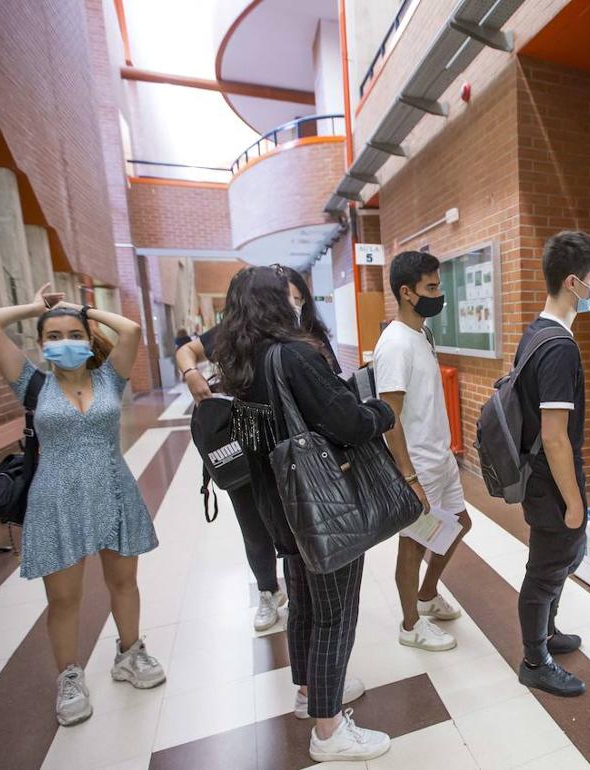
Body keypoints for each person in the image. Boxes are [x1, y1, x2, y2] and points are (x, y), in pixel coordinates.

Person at [214, 266, 394, 762]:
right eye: (289, 299)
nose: (298, 305)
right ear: (277, 305)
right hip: (321, 509)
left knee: (305, 606)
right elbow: (350, 422)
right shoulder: (293, 355)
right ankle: (329, 730)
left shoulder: (241, 366)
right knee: (336, 614)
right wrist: (380, 411)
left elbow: (255, 445)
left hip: (279, 508)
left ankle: (308, 693)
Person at [0, 283, 166, 726]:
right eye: (53, 337)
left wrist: (81, 310)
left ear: (88, 337)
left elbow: (132, 329)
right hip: (55, 499)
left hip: (114, 489)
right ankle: (70, 675)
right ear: (40, 345)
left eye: (73, 334)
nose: (64, 343)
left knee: (124, 583)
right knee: (64, 599)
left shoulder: (109, 379)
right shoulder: (32, 384)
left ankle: (129, 653)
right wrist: (37, 307)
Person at [175, 266, 339, 632]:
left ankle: (301, 594)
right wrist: (191, 374)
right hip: (245, 442)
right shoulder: (234, 335)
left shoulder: (308, 339)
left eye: (299, 299)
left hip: (296, 449)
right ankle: (268, 591)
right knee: (254, 522)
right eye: (287, 298)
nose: (293, 305)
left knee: (296, 526)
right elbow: (187, 351)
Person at [514, 230, 590, 697]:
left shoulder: (537, 333)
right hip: (551, 481)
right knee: (546, 567)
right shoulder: (558, 347)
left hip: (542, 477)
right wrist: (573, 501)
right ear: (573, 282)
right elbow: (554, 437)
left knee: (562, 557)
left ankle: (547, 634)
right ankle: (535, 658)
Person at [374, 251, 472, 652]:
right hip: (418, 465)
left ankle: (428, 595)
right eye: (430, 287)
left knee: (460, 524)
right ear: (406, 292)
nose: (438, 294)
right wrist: (409, 476)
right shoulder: (395, 344)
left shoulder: (421, 335)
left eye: (438, 286)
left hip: (440, 458)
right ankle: (410, 624)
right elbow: (389, 418)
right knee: (413, 543)